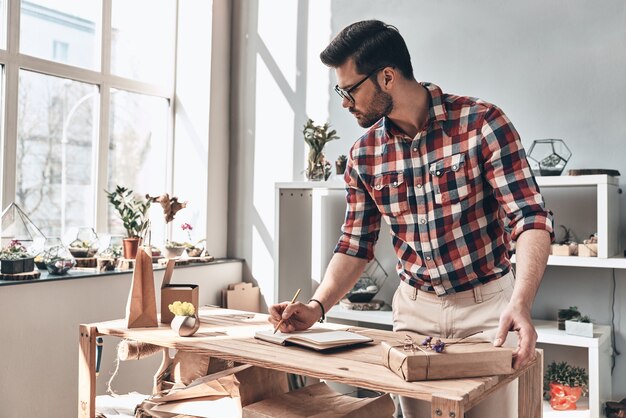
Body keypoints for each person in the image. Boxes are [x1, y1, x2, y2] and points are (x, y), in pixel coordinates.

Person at [268, 19, 553, 418]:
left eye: (349, 90)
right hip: (415, 317)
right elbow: (354, 245)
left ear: (387, 76)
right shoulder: (364, 155)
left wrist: (521, 302)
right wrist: (317, 306)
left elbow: (531, 219)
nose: (345, 103)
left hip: (489, 312)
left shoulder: (482, 124)